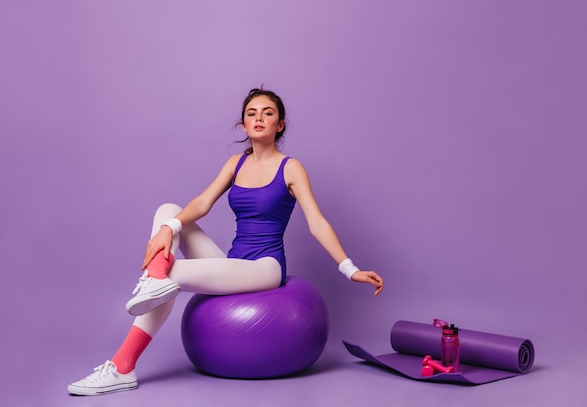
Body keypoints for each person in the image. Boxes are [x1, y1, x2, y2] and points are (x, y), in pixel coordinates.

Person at [67, 88, 384, 396]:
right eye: (251, 113)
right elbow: (203, 203)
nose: (259, 118)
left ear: (280, 124)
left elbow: (317, 222)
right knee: (167, 211)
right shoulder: (236, 164)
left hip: (265, 268)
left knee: (169, 277)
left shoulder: (291, 168)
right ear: (244, 124)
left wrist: (349, 269)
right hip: (232, 262)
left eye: (268, 113)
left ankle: (123, 365)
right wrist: (169, 228)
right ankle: (155, 279)